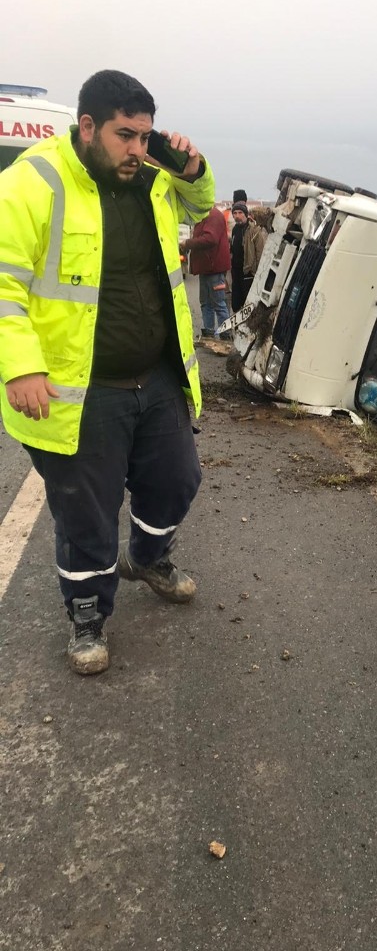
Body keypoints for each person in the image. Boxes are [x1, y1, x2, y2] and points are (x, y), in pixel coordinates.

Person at [0, 69, 215, 675]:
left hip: (157, 379)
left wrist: (191, 167)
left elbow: (202, 204)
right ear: (88, 126)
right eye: (126, 136)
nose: (138, 150)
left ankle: (147, 557)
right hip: (81, 392)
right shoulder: (31, 183)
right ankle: (88, 614)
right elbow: (3, 285)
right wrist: (19, 367)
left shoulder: (151, 180)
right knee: (86, 515)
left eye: (146, 137)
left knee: (177, 481)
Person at [182, 205, 231, 339]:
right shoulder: (205, 215)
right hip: (206, 268)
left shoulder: (213, 216)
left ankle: (225, 335)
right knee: (206, 303)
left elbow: (211, 239)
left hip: (213, 268)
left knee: (218, 303)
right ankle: (209, 333)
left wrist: (188, 243)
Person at [229, 203, 269, 313]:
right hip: (236, 272)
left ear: (246, 215)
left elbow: (260, 252)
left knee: (248, 306)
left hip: (248, 273)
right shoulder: (235, 230)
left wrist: (257, 273)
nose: (237, 216)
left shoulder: (254, 230)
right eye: (235, 213)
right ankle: (237, 328)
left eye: (240, 213)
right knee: (236, 305)